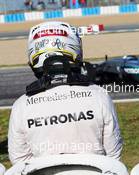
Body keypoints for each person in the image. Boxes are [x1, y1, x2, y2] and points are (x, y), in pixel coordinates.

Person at [8, 21, 123, 165]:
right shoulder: (99, 95)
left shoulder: (21, 105)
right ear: (75, 51)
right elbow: (114, 155)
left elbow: (19, 161)